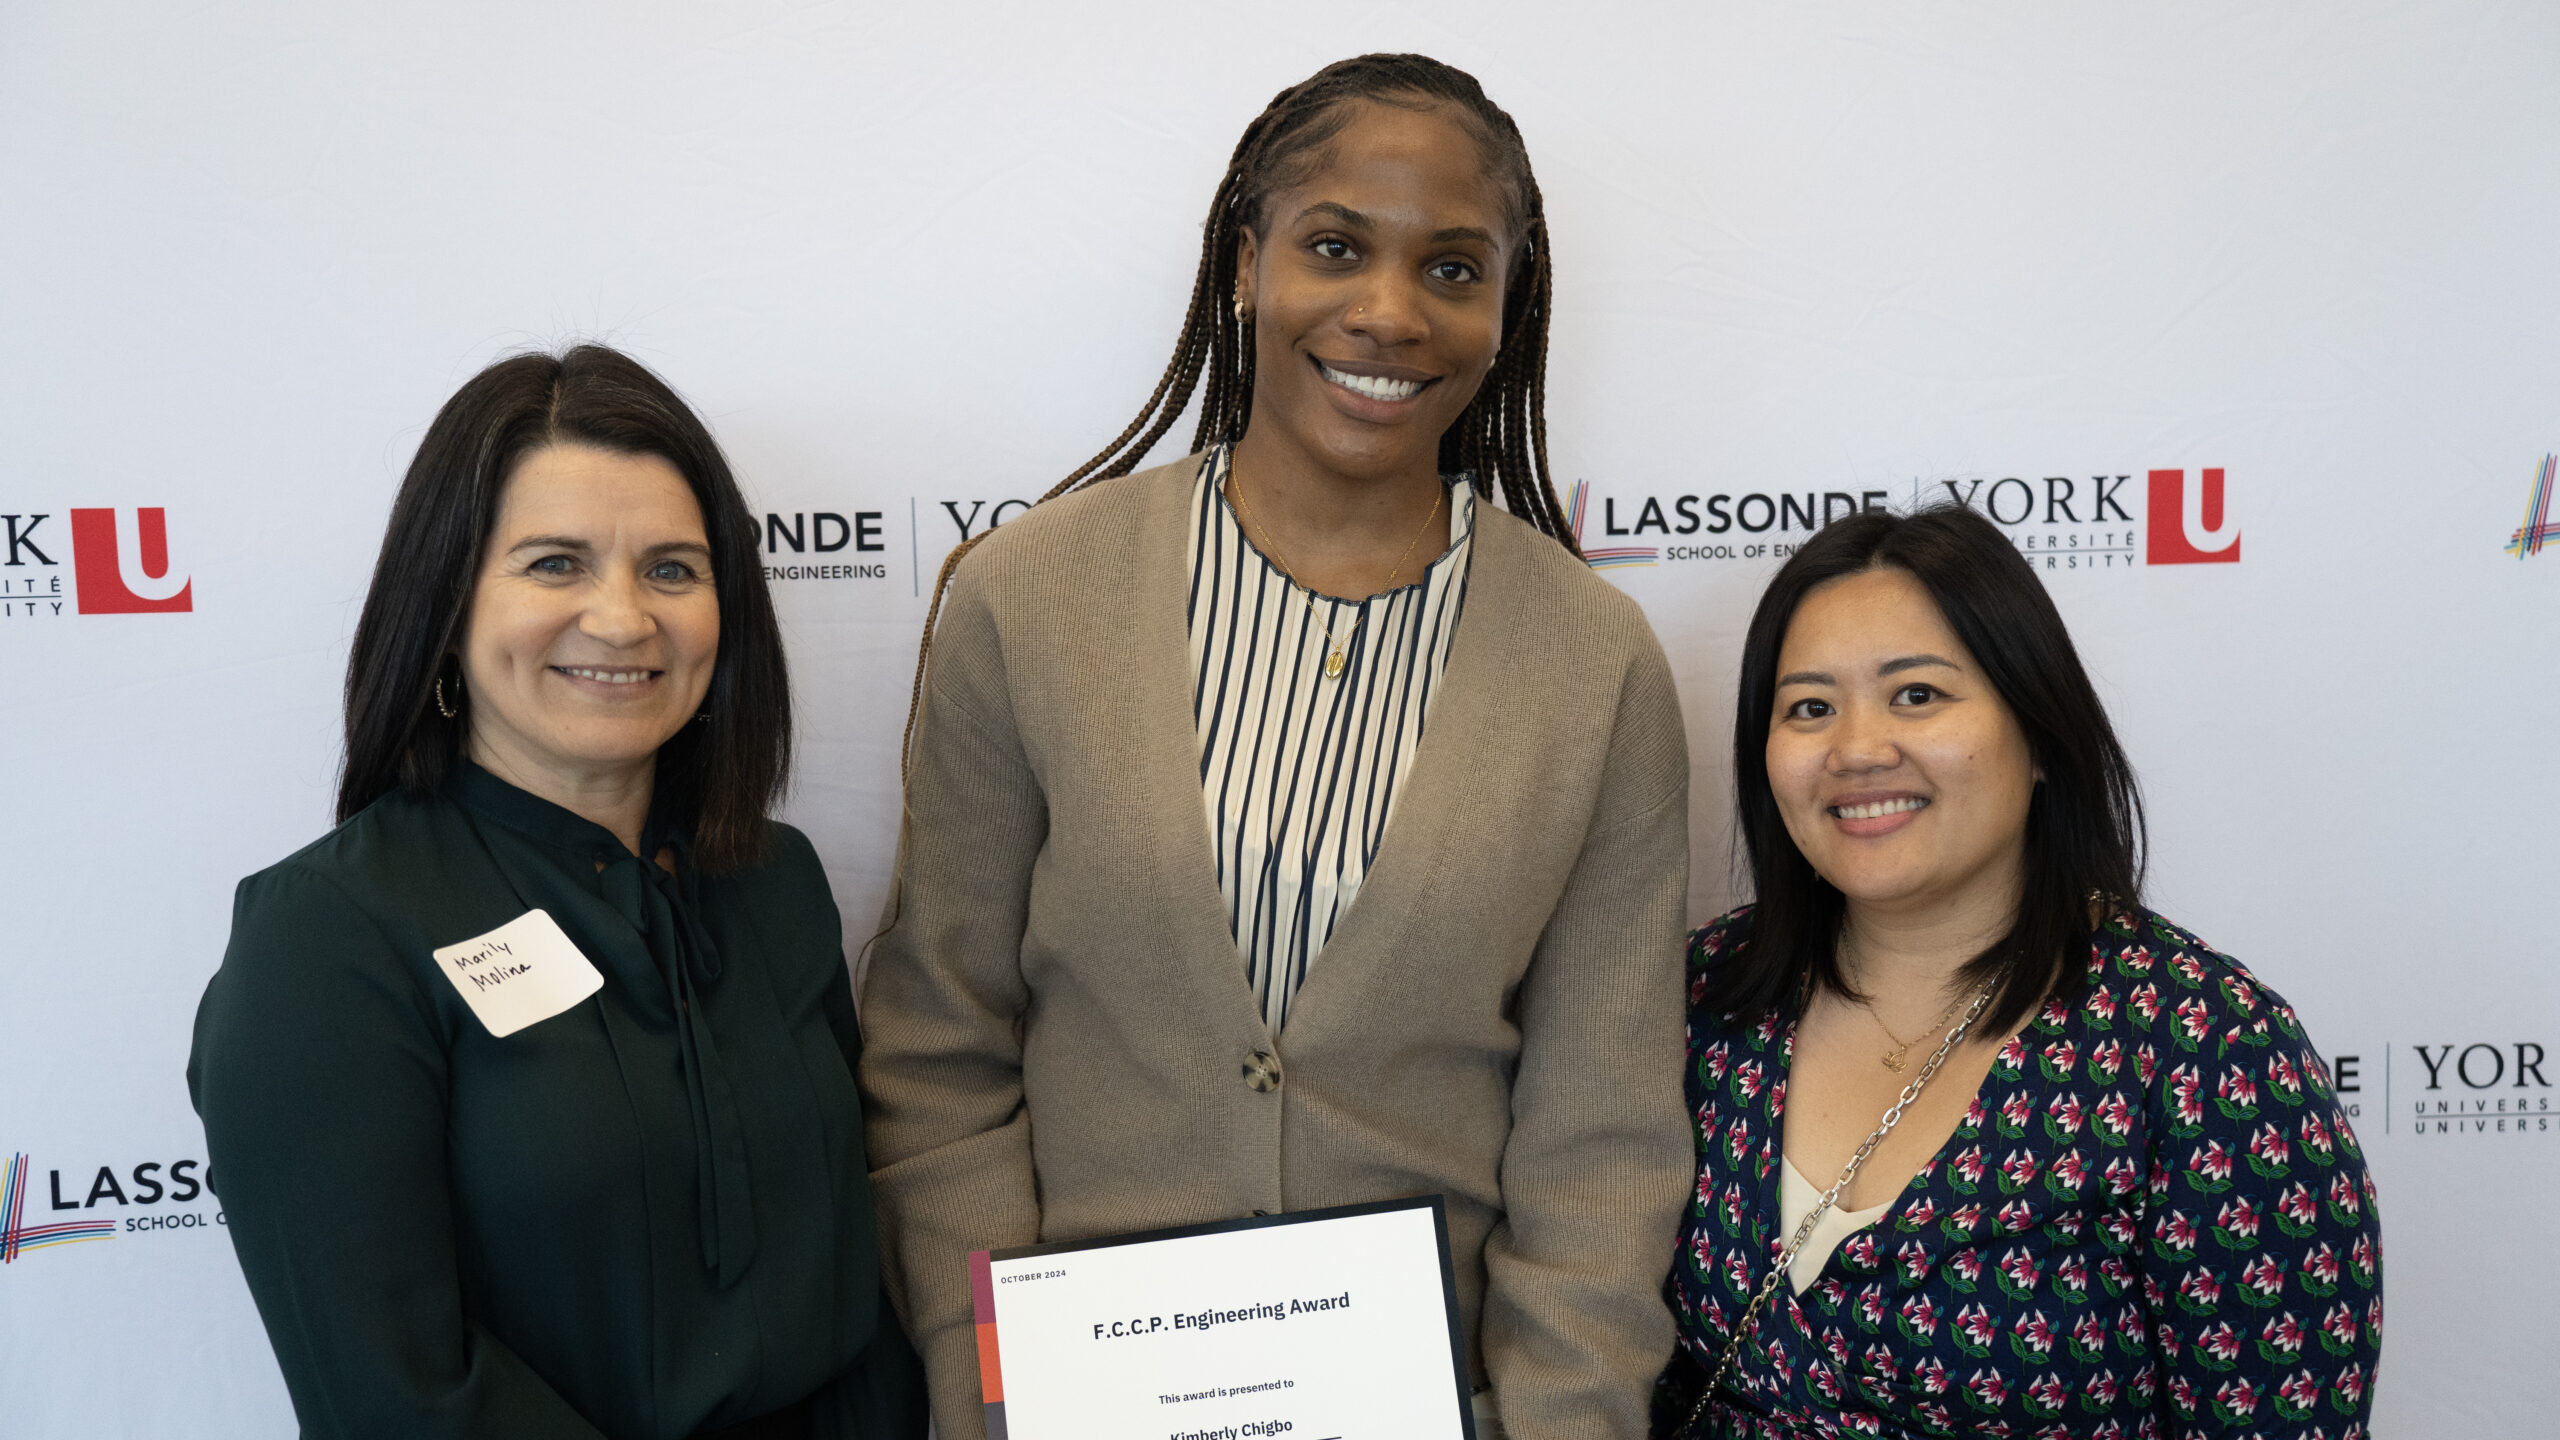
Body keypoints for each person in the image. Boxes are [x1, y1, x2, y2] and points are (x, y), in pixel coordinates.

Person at [860, 54, 1691, 1440]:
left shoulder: (1594, 662)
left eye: (1453, 269)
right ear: (1246, 264)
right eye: (1333, 247)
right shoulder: (1028, 597)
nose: (1387, 311)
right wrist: (996, 1379)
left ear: (1503, 311)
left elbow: (1598, 1135)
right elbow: (940, 1049)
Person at [188, 345, 927, 1440]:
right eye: (555, 564)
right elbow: (395, 1395)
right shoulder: (330, 941)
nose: (624, 619)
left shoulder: (775, 884)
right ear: (446, 601)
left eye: (672, 569)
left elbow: (850, 1299)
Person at [1658, 506, 2381, 1437]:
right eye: (1809, 707)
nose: (1856, 749)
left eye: (1917, 694)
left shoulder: (2207, 1048)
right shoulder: (1699, 997)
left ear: (2038, 731)